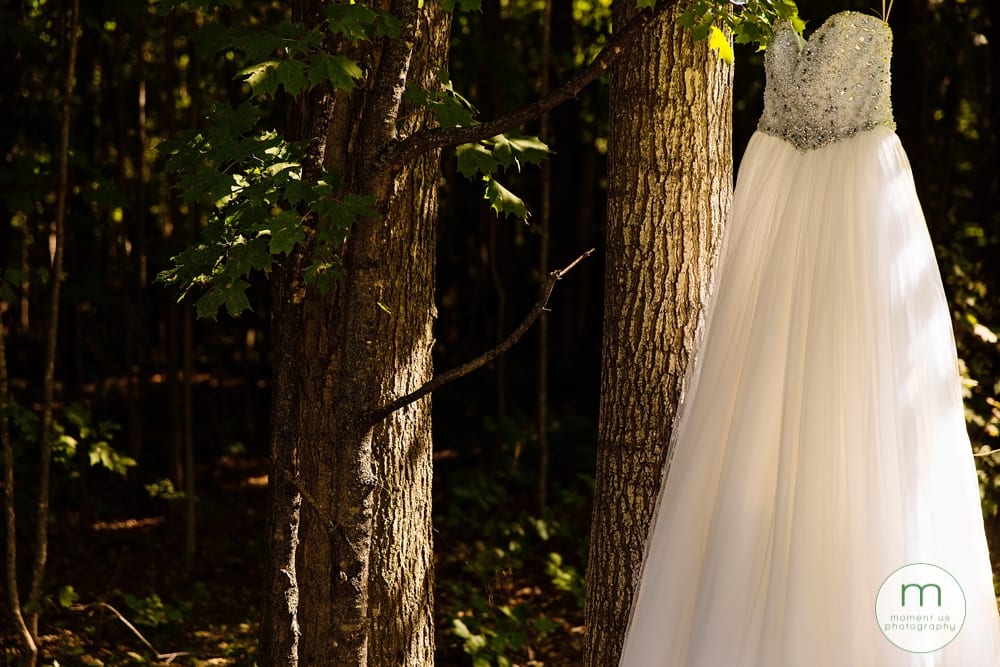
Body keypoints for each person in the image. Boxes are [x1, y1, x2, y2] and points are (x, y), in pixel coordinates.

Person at [619, 11, 1000, 666]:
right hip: (778, 214)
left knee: (855, 398)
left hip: (856, 209)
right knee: (758, 416)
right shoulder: (769, 14)